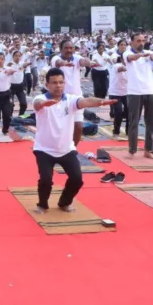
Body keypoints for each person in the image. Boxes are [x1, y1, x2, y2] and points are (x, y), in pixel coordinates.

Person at [32, 68, 116, 214]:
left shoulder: (71, 100)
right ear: (47, 84)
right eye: (54, 83)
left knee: (77, 179)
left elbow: (86, 101)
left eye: (61, 82)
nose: (58, 85)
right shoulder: (40, 98)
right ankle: (42, 204)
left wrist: (101, 102)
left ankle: (64, 202)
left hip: (66, 149)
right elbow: (37, 103)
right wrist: (44, 104)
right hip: (44, 149)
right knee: (46, 180)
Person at [124, 34, 153, 159]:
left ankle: (148, 149)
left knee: (151, 122)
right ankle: (132, 150)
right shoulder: (126, 53)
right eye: (138, 41)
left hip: (150, 90)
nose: (141, 43)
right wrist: (139, 55)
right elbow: (131, 58)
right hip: (134, 91)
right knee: (134, 122)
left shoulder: (149, 53)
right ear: (132, 42)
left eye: (143, 40)